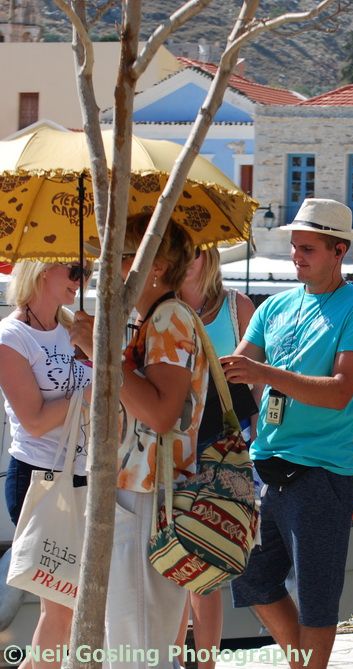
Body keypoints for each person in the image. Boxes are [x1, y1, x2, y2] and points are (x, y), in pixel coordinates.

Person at [222, 198, 353, 668]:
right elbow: (234, 370)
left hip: (322, 471)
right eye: (295, 246)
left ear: (339, 251)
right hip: (265, 465)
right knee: (250, 577)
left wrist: (263, 373)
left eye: (308, 248)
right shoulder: (275, 306)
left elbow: (340, 392)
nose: (297, 256)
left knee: (316, 597)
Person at [70, 215, 208, 668]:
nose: (105, 266)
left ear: (155, 267)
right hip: (144, 489)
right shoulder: (153, 317)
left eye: (119, 257)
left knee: (138, 646)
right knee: (135, 641)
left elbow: (161, 414)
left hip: (149, 493)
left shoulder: (168, 318)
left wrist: (100, 350)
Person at [0, 260, 92, 669]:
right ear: (41, 270)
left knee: (66, 608)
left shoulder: (76, 328)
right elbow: (34, 420)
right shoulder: (11, 336)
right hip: (38, 481)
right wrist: (87, 396)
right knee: (62, 608)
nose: (82, 280)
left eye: (86, 272)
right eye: (74, 270)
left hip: (82, 476)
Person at [175, 247, 257, 669]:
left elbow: (256, 386)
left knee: (207, 573)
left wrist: (257, 448)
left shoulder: (237, 307)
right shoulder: (161, 305)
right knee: (171, 567)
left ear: (209, 257)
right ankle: (171, 661)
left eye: (194, 250)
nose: (186, 258)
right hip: (171, 448)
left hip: (224, 450)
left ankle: (205, 664)